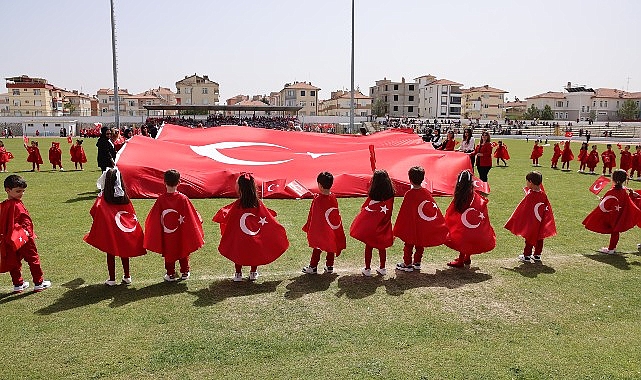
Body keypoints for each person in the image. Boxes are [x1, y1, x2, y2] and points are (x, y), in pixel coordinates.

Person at [213, 172, 289, 281]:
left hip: (240, 237)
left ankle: (238, 274)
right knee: (255, 251)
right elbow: (266, 215)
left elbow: (228, 216)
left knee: (238, 252)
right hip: (255, 236)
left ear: (240, 188)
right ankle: (253, 272)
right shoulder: (257, 203)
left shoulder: (238, 204)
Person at [84, 168, 146, 285]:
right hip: (122, 231)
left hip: (110, 231)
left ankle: (112, 279)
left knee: (110, 253)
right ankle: (127, 276)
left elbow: (94, 211)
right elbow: (130, 215)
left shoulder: (103, 198)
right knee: (124, 253)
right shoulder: (125, 198)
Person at [144, 169, 204, 282]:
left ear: (164, 182)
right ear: (179, 182)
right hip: (181, 231)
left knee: (169, 251)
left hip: (167, 233)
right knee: (183, 247)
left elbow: (153, 218)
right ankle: (185, 271)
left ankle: (170, 273)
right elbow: (192, 214)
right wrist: (198, 219)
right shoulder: (183, 199)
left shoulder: (161, 199)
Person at [0, 175, 52, 293]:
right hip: (23, 237)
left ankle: (18, 284)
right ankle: (39, 282)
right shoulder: (17, 205)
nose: (21, 194)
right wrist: (29, 233)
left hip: (9, 239)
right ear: (8, 190)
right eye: (18, 191)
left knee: (14, 262)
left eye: (23, 191)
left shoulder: (3, 205)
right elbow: (26, 221)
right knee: (32, 259)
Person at [393, 166, 447, 272]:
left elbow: (405, 211)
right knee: (420, 243)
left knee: (408, 243)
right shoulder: (426, 193)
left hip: (412, 224)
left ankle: (407, 263)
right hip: (421, 224)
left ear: (410, 179)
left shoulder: (409, 194)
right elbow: (431, 209)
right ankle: (417, 262)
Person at [444, 170, 496, 268]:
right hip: (474, 226)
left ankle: (461, 260)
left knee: (462, 236)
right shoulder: (476, 197)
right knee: (468, 236)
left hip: (463, 227)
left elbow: (451, 213)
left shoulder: (459, 197)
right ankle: (466, 257)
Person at [582, 169, 641, 254]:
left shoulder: (612, 191)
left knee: (613, 230)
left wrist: (602, 199)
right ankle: (612, 248)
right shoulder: (624, 190)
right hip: (619, 214)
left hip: (612, 214)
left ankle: (611, 249)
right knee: (616, 230)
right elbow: (626, 201)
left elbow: (606, 203)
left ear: (613, 179)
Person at [349, 169, 395, 276]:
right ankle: (382, 268)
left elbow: (366, 210)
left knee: (369, 246)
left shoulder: (373, 196)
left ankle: (367, 268)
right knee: (382, 247)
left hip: (371, 229)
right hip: (383, 226)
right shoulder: (390, 196)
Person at [504, 171, 557, 263]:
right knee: (540, 237)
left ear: (531, 182)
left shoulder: (530, 195)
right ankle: (537, 255)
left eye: (527, 181)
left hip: (532, 221)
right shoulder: (543, 194)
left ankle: (527, 255)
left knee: (529, 238)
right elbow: (546, 207)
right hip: (541, 220)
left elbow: (522, 209)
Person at [301, 172, 346, 274]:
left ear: (320, 185)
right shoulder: (333, 197)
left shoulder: (318, 199)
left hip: (321, 229)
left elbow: (314, 216)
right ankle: (329, 266)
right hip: (331, 228)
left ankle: (313, 267)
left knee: (317, 246)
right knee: (331, 244)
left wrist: (311, 228)